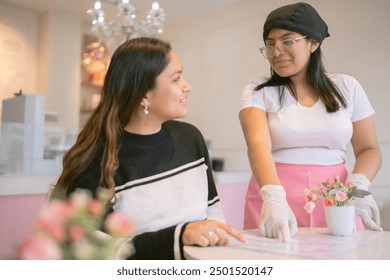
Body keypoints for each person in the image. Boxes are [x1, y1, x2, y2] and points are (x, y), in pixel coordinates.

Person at [53, 37, 245, 259]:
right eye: (176, 79)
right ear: (145, 95)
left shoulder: (191, 138)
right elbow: (100, 254)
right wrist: (178, 237)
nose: (187, 86)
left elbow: (212, 213)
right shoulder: (96, 163)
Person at [239, 2, 382, 242]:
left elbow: (369, 149)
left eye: (287, 41)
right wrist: (273, 197)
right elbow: (258, 145)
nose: (276, 52)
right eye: (270, 44)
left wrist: (358, 184)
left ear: (313, 43)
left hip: (337, 197)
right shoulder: (258, 90)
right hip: (275, 193)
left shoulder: (347, 87)